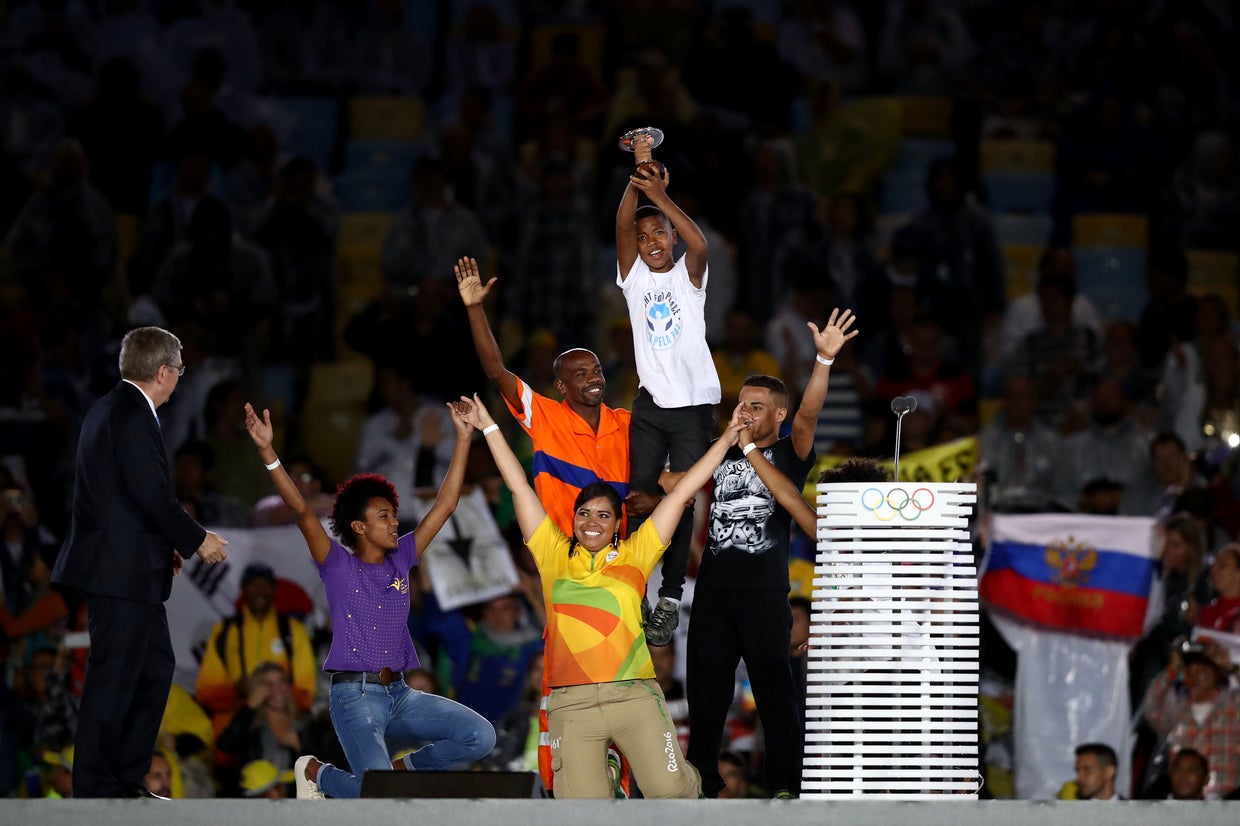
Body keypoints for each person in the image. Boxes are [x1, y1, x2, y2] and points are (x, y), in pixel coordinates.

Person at [464, 393, 746, 798]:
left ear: (618, 524)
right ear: (573, 519)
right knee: (583, 814)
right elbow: (517, 485)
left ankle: (685, 780)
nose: (591, 521)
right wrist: (488, 424)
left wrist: (726, 438)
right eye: (583, 513)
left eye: (603, 515)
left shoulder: (637, 552)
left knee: (671, 796)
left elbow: (683, 494)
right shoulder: (552, 553)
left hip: (632, 694)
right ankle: (609, 773)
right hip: (572, 705)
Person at [243, 398, 494, 800]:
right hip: (354, 697)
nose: (394, 521)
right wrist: (268, 452)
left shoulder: (404, 557)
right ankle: (319, 774)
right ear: (358, 526)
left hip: (402, 694)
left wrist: (464, 437)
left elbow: (445, 505)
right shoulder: (337, 565)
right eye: (383, 516)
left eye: (394, 514)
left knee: (479, 736)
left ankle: (398, 771)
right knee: (382, 798)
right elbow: (302, 510)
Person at [456, 253, 637, 791]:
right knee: (564, 667)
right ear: (560, 385)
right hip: (562, 558)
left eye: (597, 370)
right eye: (579, 374)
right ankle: (557, 776)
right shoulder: (544, 416)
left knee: (622, 671)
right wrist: (475, 311)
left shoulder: (629, 424)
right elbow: (495, 370)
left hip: (621, 562)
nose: (592, 378)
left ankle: (619, 778)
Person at [51, 326, 229, 798]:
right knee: (115, 675)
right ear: (165, 372)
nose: (179, 378)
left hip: (129, 567)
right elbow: (150, 494)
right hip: (118, 572)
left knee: (152, 670)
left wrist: (160, 545)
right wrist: (196, 540)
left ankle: (127, 779)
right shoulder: (129, 413)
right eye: (179, 370)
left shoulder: (116, 409)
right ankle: (95, 788)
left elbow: (124, 498)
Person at [686, 312, 857, 800]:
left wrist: (823, 359)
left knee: (776, 692)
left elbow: (808, 414)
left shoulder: (788, 451)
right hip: (714, 593)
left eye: (756, 407)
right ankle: (702, 787)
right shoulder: (721, 450)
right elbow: (679, 486)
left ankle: (784, 784)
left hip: (764, 591)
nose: (743, 413)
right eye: (741, 405)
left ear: (776, 415)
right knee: (706, 695)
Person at [615, 148, 721, 646]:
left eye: (659, 233)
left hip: (695, 404)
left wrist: (660, 195)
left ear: (672, 238)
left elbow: (700, 244)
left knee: (679, 499)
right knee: (639, 498)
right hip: (650, 405)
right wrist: (637, 185)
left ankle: (670, 597)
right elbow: (620, 228)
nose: (651, 241)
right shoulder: (633, 280)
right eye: (644, 237)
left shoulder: (687, 276)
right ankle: (634, 588)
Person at [195, 561, 317, 756]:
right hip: (235, 744)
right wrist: (240, 690)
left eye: (265, 585)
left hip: (283, 738)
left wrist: (278, 695)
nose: (259, 591)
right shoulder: (225, 632)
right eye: (253, 584)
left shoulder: (293, 631)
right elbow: (206, 693)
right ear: (242, 589)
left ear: (274, 589)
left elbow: (305, 694)